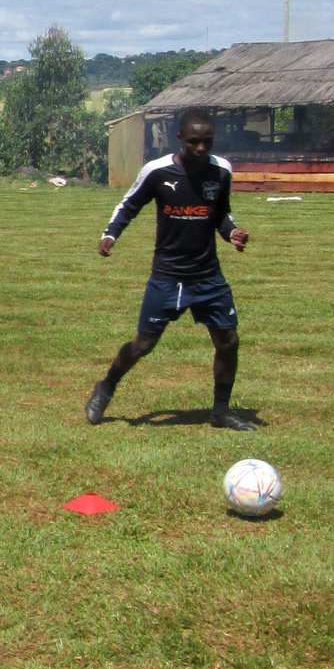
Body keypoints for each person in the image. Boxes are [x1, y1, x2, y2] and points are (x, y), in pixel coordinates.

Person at [85, 106, 253, 431]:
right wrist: (110, 234)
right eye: (194, 142)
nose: (201, 148)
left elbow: (220, 213)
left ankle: (220, 411)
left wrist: (231, 232)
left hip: (208, 276)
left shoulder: (221, 171)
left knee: (228, 341)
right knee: (142, 345)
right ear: (180, 139)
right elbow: (129, 204)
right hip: (168, 276)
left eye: (207, 141)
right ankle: (106, 386)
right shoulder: (157, 172)